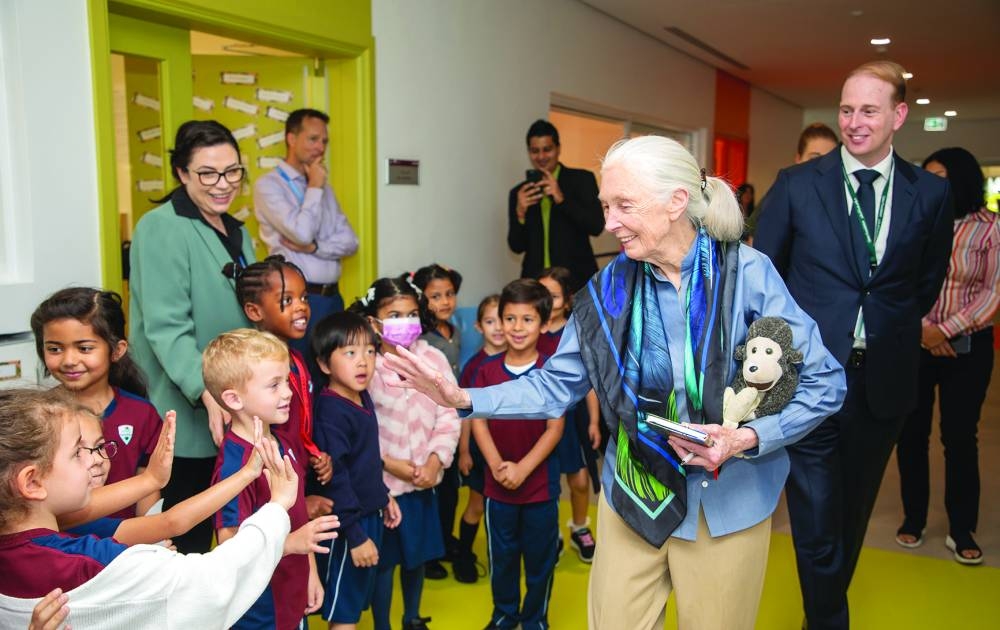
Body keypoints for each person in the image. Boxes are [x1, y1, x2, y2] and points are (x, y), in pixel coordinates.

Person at [384, 135, 845, 630]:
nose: (608, 223)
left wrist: (744, 438)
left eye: (624, 205)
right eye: (606, 206)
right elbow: (552, 386)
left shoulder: (747, 274)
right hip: (634, 495)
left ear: (676, 202)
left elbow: (824, 382)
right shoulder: (606, 290)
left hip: (725, 503)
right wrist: (462, 397)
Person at [754, 60, 954, 629]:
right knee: (815, 516)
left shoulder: (932, 194)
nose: (855, 122)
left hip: (882, 380)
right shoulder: (797, 185)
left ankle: (821, 613)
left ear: (898, 115)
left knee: (851, 514)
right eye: (846, 109)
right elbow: (765, 278)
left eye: (869, 110)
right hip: (810, 381)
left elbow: (925, 281)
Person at [0, 388, 312, 630]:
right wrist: (277, 507)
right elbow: (210, 584)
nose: (93, 459)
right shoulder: (95, 563)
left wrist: (150, 479)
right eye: (77, 452)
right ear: (32, 482)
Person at [129, 119, 256, 553]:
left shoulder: (239, 231)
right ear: (182, 173)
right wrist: (205, 389)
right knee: (187, 537)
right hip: (187, 406)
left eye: (233, 171)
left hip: (233, 399)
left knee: (232, 531)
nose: (223, 184)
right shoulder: (161, 226)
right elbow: (166, 326)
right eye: (208, 173)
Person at [895, 147, 1000, 565]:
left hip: (968, 350)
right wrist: (922, 330)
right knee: (911, 436)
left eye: (941, 177)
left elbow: (993, 292)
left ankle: (961, 528)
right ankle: (913, 518)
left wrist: (946, 330)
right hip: (915, 343)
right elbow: (896, 279)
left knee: (960, 439)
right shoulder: (914, 221)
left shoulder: (990, 229)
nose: (932, 186)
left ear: (962, 180)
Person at [204, 329, 340, 629]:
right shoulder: (235, 468)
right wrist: (293, 544)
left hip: (292, 591)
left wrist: (311, 573)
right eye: (274, 385)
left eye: (287, 381)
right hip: (260, 608)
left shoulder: (281, 443)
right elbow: (230, 545)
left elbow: (298, 516)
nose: (289, 392)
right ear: (234, 399)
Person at [349, 277, 460, 630]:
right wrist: (387, 463)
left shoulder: (434, 359)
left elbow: (449, 412)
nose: (405, 321)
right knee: (384, 562)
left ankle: (412, 617)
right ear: (373, 322)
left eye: (411, 314)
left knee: (417, 557)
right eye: (394, 314)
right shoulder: (364, 366)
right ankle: (383, 623)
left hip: (422, 482)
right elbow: (358, 424)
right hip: (383, 487)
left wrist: (435, 460)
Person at [470, 279, 564, 630]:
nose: (517, 328)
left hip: (540, 486)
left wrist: (523, 469)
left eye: (527, 320)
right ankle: (505, 614)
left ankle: (535, 618)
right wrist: (496, 465)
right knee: (503, 558)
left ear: (542, 323)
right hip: (497, 488)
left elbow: (555, 428)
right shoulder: (486, 372)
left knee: (540, 560)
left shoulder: (552, 371)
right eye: (510, 319)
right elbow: (479, 423)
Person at [31, 288, 162, 518]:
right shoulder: (37, 416)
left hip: (126, 545)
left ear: (117, 350)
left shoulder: (142, 414)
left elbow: (148, 489)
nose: (69, 360)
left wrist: (152, 540)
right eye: (55, 349)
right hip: (61, 547)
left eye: (84, 348)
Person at [310, 312, 402, 629]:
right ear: (324, 364)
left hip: (366, 513)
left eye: (369, 351)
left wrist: (383, 495)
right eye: (350, 353)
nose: (362, 362)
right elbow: (337, 478)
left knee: (353, 605)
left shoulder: (361, 397)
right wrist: (355, 535)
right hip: (347, 524)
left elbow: (364, 461)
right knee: (345, 613)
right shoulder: (331, 411)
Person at [254, 108, 360, 382]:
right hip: (297, 302)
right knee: (301, 379)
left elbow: (350, 241)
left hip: (332, 299)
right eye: (313, 139)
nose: (320, 147)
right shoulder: (269, 185)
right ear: (291, 138)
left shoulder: (323, 185)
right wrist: (314, 187)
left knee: (334, 380)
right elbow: (301, 233)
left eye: (324, 141)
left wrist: (314, 248)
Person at [66, 411, 264, 546]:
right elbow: (171, 522)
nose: (97, 459)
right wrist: (247, 473)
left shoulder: (76, 511)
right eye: (78, 452)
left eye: (100, 447)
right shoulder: (72, 517)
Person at [235, 256, 335, 519]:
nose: (301, 307)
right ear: (255, 311)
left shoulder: (298, 360)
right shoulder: (255, 372)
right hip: (276, 495)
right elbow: (264, 444)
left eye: (304, 298)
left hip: (298, 476)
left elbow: (297, 426)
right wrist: (300, 501)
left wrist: (314, 454)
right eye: (287, 300)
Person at [537, 267, 600, 563]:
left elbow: (587, 383)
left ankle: (579, 527)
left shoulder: (576, 332)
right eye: (540, 295)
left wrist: (595, 421)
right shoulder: (529, 330)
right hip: (538, 421)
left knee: (578, 480)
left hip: (573, 421)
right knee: (543, 481)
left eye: (552, 296)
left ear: (567, 299)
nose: (545, 302)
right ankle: (550, 532)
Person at [507, 119, 604, 292]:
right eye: (535, 151)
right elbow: (516, 246)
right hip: (535, 284)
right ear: (529, 152)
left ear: (558, 148)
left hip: (576, 281)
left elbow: (596, 226)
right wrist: (520, 213)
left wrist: (561, 199)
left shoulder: (582, 180)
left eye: (547, 149)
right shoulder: (519, 193)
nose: (541, 156)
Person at [412, 263, 463, 579]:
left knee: (451, 487)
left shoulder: (454, 329)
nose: (445, 302)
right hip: (428, 421)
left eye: (449, 294)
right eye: (435, 296)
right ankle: (427, 552)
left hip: (452, 419)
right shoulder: (423, 338)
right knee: (428, 492)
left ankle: (444, 540)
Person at [453, 294, 505, 584]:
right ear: (478, 327)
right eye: (490, 321)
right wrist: (464, 451)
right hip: (478, 448)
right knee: (476, 504)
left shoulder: (518, 357)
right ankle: (463, 553)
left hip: (509, 446)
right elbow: (467, 414)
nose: (498, 327)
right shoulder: (475, 367)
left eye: (503, 319)